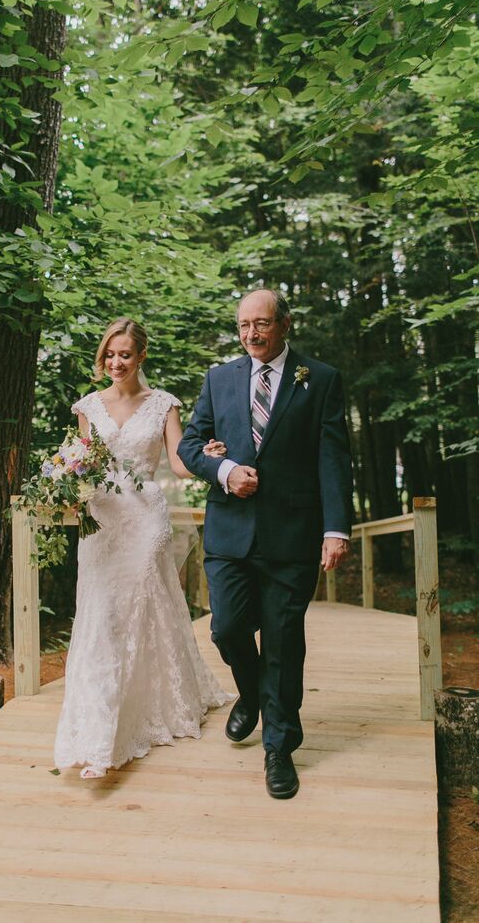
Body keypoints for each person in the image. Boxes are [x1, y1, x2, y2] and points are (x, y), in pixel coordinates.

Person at [178, 289, 353, 800]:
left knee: (281, 642)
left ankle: (279, 746)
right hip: (230, 532)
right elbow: (191, 445)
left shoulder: (319, 379)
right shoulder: (219, 378)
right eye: (243, 326)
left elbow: (333, 459)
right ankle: (250, 695)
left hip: (292, 535)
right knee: (228, 628)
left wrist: (335, 528)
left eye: (261, 324)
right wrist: (225, 470)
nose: (251, 334)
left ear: (285, 325)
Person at [54, 318, 231, 779]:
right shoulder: (88, 406)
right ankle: (99, 726)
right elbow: (83, 461)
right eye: (110, 354)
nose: (116, 362)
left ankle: (134, 719)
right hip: (102, 517)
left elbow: (177, 462)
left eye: (125, 355)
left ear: (141, 356)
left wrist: (207, 457)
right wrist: (62, 482)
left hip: (146, 517)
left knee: (136, 607)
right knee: (102, 615)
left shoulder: (163, 405)